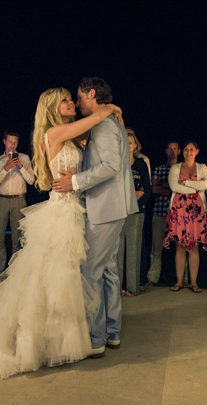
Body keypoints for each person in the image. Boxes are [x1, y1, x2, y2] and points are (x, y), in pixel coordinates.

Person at [0, 87, 123, 378]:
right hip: (61, 213)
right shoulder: (53, 133)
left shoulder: (70, 133)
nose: (71, 103)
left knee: (70, 278)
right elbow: (95, 119)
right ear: (53, 107)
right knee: (52, 279)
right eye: (66, 100)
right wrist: (110, 107)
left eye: (71, 98)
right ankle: (42, 342)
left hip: (76, 209)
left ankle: (70, 338)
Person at [53, 76, 138, 358]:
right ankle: (112, 333)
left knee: (90, 273)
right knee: (109, 272)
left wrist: (75, 182)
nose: (76, 103)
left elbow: (111, 166)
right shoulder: (107, 124)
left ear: (91, 94)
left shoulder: (103, 126)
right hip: (114, 207)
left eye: (78, 97)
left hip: (105, 209)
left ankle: (95, 338)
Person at [0, 131, 35, 281]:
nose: (12, 145)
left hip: (18, 200)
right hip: (1, 200)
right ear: (4, 142)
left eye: (15, 142)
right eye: (10, 142)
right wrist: (6, 168)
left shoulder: (24, 158)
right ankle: (1, 270)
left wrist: (20, 166)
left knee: (17, 239)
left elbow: (31, 181)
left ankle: (14, 273)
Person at [164, 140, 207, 294]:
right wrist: (194, 187)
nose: (188, 152)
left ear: (197, 151)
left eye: (191, 149)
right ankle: (179, 281)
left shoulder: (202, 167)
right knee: (180, 245)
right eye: (185, 149)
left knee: (195, 245)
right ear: (182, 152)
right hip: (179, 210)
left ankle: (193, 282)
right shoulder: (176, 167)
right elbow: (173, 187)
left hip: (197, 211)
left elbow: (206, 184)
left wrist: (185, 183)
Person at [117, 132, 151, 296]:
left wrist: (135, 199)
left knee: (134, 249)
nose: (129, 145)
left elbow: (147, 190)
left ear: (135, 146)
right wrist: (133, 193)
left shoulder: (141, 164)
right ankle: (118, 287)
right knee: (118, 251)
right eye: (126, 142)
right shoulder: (117, 163)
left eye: (131, 142)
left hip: (137, 211)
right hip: (118, 210)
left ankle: (131, 287)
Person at [146, 141, 180, 286]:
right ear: (166, 151)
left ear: (179, 151)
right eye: (169, 149)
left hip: (179, 214)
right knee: (156, 246)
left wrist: (165, 185)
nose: (172, 151)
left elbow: (182, 190)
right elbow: (155, 189)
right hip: (160, 211)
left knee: (181, 246)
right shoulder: (159, 169)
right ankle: (152, 277)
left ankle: (183, 279)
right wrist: (173, 188)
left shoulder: (182, 170)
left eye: (175, 149)